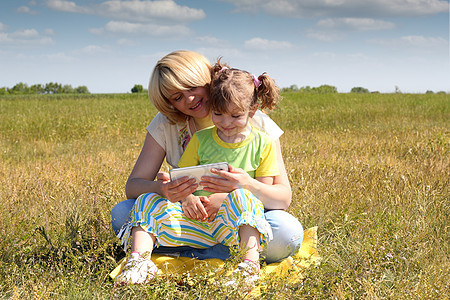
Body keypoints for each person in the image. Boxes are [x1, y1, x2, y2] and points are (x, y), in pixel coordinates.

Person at [110, 49, 303, 271]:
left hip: (239, 217)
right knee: (122, 213)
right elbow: (133, 186)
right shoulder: (167, 124)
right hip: (192, 213)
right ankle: (220, 254)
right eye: (177, 97)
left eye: (192, 87)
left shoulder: (255, 123)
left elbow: (282, 198)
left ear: (207, 80)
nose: (189, 99)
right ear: (169, 103)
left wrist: (245, 185)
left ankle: (191, 252)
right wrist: (166, 189)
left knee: (287, 231)